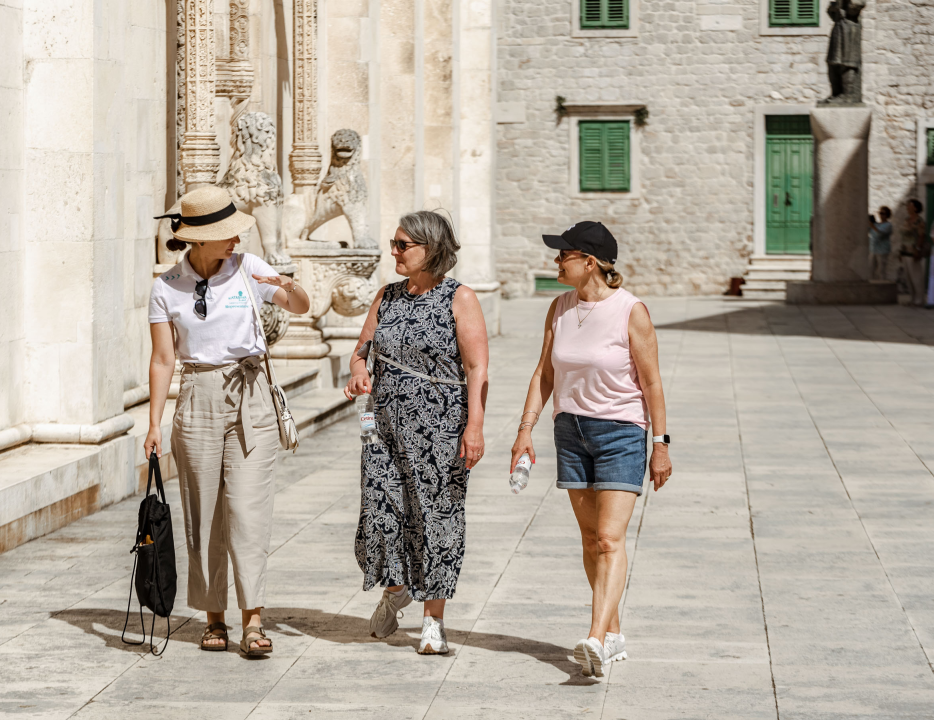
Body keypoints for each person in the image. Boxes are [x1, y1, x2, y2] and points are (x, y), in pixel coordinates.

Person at [144, 185, 311, 655]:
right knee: (204, 512)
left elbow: (300, 307)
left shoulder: (249, 268)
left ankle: (253, 620)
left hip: (250, 392)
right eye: (225, 235)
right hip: (197, 394)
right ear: (197, 241)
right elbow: (161, 360)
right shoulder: (166, 288)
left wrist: (287, 286)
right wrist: (154, 424)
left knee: (248, 509)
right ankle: (214, 618)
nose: (235, 241)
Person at [510, 221, 671, 678]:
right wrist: (526, 431)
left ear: (590, 261)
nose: (556, 261)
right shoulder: (560, 307)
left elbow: (653, 382)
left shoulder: (630, 311)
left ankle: (596, 637)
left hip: (621, 432)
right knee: (588, 539)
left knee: (608, 539)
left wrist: (660, 444)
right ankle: (612, 631)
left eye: (564, 254)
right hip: (571, 432)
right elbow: (544, 374)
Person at [343, 210, 489, 655]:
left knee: (435, 519)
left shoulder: (459, 298)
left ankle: (434, 620)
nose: (394, 252)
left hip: (441, 429)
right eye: (394, 243)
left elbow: (478, 366)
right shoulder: (387, 296)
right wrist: (358, 371)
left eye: (403, 245)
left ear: (431, 248)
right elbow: (362, 348)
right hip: (383, 425)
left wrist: (475, 426)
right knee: (383, 513)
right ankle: (396, 589)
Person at [900, 199, 928, 306]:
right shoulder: (906, 220)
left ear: (915, 208)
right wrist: (901, 251)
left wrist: (918, 249)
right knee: (908, 276)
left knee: (916, 276)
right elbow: (903, 235)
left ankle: (919, 300)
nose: (907, 207)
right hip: (905, 250)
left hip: (914, 251)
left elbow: (921, 236)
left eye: (909, 206)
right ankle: (912, 298)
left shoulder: (919, 221)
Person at [868, 206, 892, 281]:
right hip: (873, 250)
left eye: (882, 213)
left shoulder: (888, 225)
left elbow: (881, 234)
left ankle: (883, 288)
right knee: (870, 271)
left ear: (887, 215)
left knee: (881, 271)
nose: (880, 215)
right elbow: (868, 231)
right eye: (880, 213)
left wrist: (872, 225)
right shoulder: (876, 224)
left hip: (882, 251)